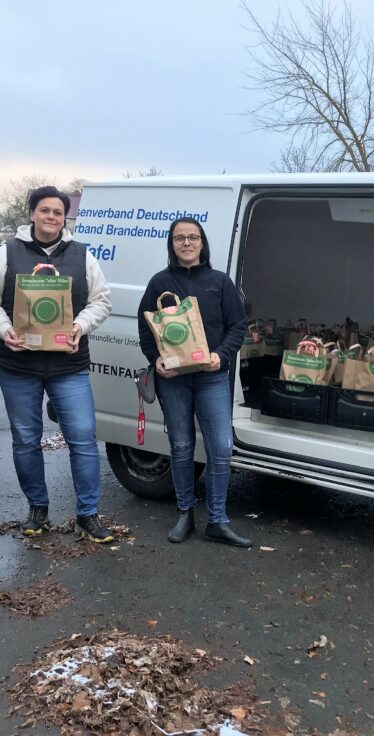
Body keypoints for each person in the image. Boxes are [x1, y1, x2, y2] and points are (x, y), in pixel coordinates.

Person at [0, 186, 114, 542]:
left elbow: (101, 301)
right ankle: (37, 509)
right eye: (44, 210)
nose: (51, 217)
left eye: (58, 212)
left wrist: (79, 326)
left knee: (83, 438)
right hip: (17, 363)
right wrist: (4, 330)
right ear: (32, 214)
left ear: (65, 218)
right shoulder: (5, 254)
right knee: (25, 439)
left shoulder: (83, 256)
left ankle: (88, 514)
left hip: (69, 365)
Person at [137, 216, 251, 547]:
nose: (186, 243)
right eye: (179, 238)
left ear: (202, 243)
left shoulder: (220, 282)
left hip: (211, 378)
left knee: (221, 447)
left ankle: (217, 519)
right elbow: (146, 329)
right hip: (173, 380)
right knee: (182, 446)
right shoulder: (159, 282)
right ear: (172, 245)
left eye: (193, 237)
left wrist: (222, 355)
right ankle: (185, 512)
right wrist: (155, 360)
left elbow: (238, 326)